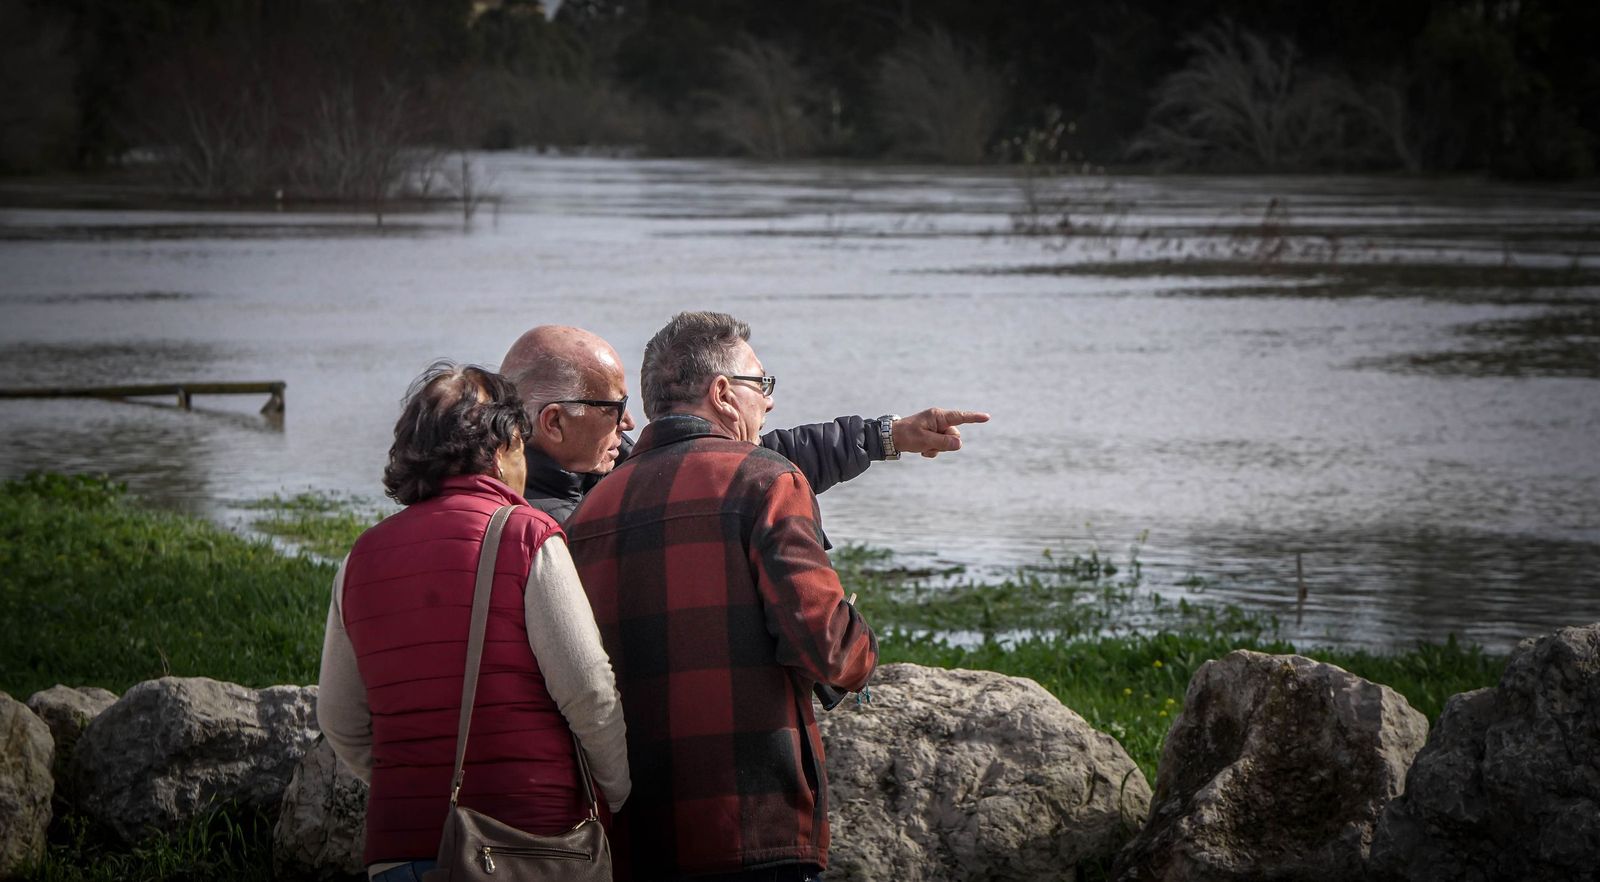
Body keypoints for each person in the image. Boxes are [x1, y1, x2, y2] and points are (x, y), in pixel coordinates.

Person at [565, 312, 883, 881]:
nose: (771, 403)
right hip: (755, 827)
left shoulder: (589, 511)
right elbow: (831, 651)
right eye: (762, 385)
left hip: (637, 836)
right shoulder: (768, 479)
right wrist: (858, 634)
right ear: (723, 394)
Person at [317, 361, 629, 881]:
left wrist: (416, 783)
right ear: (504, 444)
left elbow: (339, 721)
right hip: (525, 844)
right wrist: (616, 793)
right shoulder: (526, 535)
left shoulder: (360, 558)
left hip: (399, 851)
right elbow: (590, 691)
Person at [499, 324, 988, 525]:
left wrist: (889, 435)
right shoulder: (540, 527)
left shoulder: (614, 471)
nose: (628, 421)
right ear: (554, 423)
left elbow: (753, 467)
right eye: (611, 408)